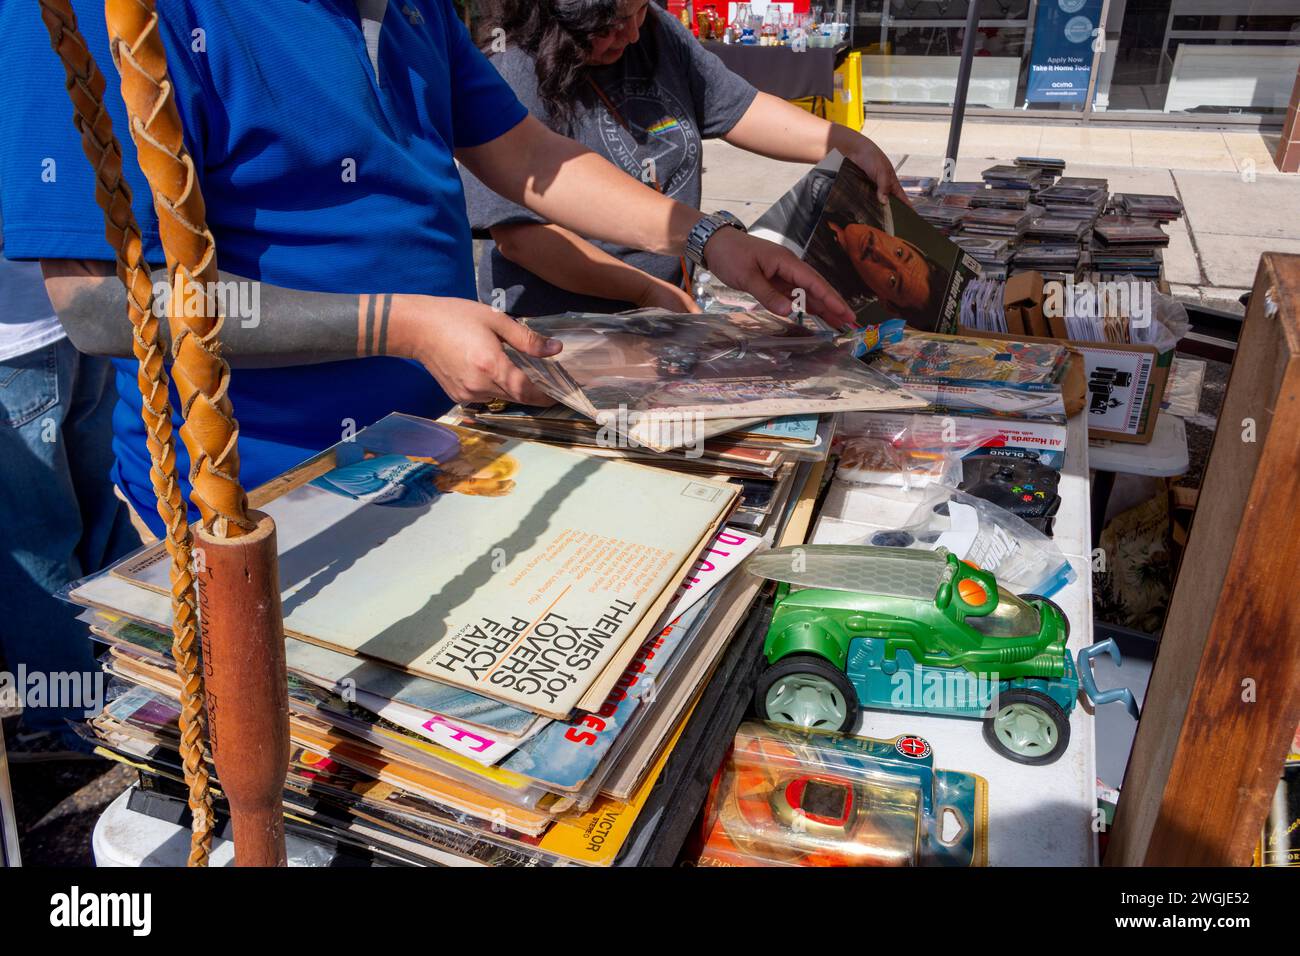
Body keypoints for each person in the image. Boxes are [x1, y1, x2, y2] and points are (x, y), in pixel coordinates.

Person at [0, 0, 851, 541]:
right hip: (252, 498)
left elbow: (526, 156)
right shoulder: (100, 16)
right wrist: (398, 325)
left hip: (440, 449)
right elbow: (102, 305)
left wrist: (709, 238)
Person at [463, 0, 906, 318]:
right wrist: (645, 290)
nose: (634, 32)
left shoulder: (655, 31)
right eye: (614, 21)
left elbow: (740, 107)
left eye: (640, 11)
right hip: (566, 330)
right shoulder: (511, 65)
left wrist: (846, 142)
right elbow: (521, 236)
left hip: (662, 315)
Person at [0, 189, 139, 755]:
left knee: (32, 550)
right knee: (99, 515)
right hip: (75, 314)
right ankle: (141, 682)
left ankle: (71, 718)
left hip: (21, 344)